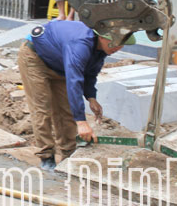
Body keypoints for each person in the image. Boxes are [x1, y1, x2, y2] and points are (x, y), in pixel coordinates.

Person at [17, 20, 135, 172]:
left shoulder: (101, 50)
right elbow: (74, 81)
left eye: (122, 44)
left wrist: (91, 97)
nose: (118, 48)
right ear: (103, 37)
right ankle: (46, 156)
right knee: (42, 108)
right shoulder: (80, 44)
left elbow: (90, 73)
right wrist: (81, 122)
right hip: (34, 57)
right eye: (116, 43)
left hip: (59, 64)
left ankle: (68, 154)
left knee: (65, 110)